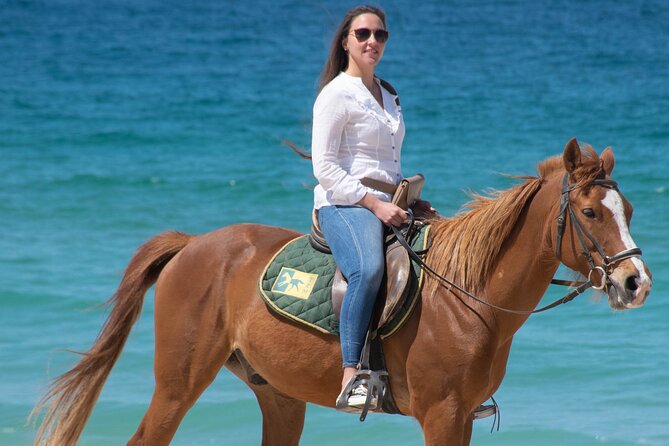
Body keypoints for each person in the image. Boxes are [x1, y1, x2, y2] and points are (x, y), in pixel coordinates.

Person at [311, 5, 433, 410]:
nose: (372, 42)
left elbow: (387, 163)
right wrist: (373, 205)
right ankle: (353, 374)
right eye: (362, 34)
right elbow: (325, 167)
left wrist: (406, 197)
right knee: (368, 268)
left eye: (380, 35)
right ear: (346, 40)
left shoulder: (389, 93)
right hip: (344, 202)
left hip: (391, 200)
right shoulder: (335, 95)